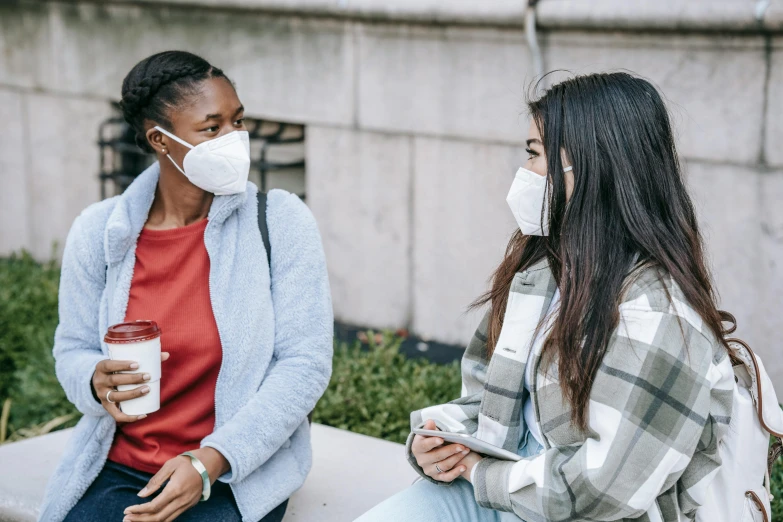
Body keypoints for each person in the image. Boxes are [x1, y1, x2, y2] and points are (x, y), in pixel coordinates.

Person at [355, 72, 734, 522]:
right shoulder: (541, 271)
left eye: (536, 154)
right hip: (510, 490)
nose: (526, 173)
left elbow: (608, 490)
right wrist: (440, 441)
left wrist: (482, 474)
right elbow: (488, 400)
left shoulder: (658, 311)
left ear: (596, 168)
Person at [39, 51, 333, 522]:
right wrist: (94, 380)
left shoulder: (279, 221)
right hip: (117, 468)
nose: (235, 140)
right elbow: (72, 347)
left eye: (239, 121)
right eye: (212, 128)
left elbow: (305, 365)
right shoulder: (99, 231)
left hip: (233, 472)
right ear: (161, 140)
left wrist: (209, 461)